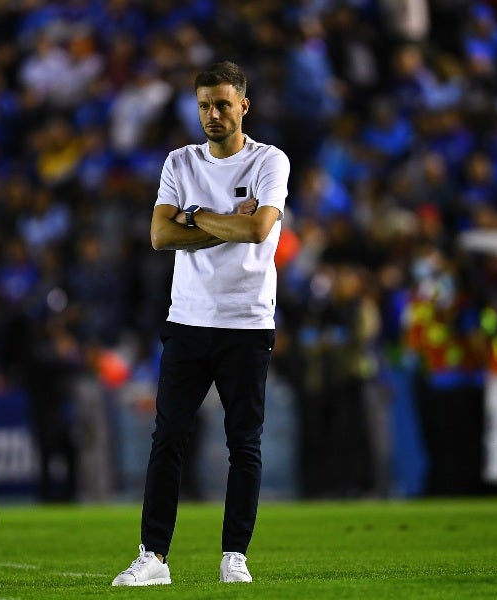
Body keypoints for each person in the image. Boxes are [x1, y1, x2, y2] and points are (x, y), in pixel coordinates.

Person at [112, 61, 290, 586]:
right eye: (204, 106)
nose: (212, 114)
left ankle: (234, 556)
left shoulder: (269, 161)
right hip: (187, 319)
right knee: (167, 437)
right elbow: (159, 237)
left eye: (222, 104)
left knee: (244, 444)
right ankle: (153, 557)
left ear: (243, 106)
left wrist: (192, 215)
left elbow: (258, 230)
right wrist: (222, 224)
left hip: (247, 321)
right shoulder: (180, 161)